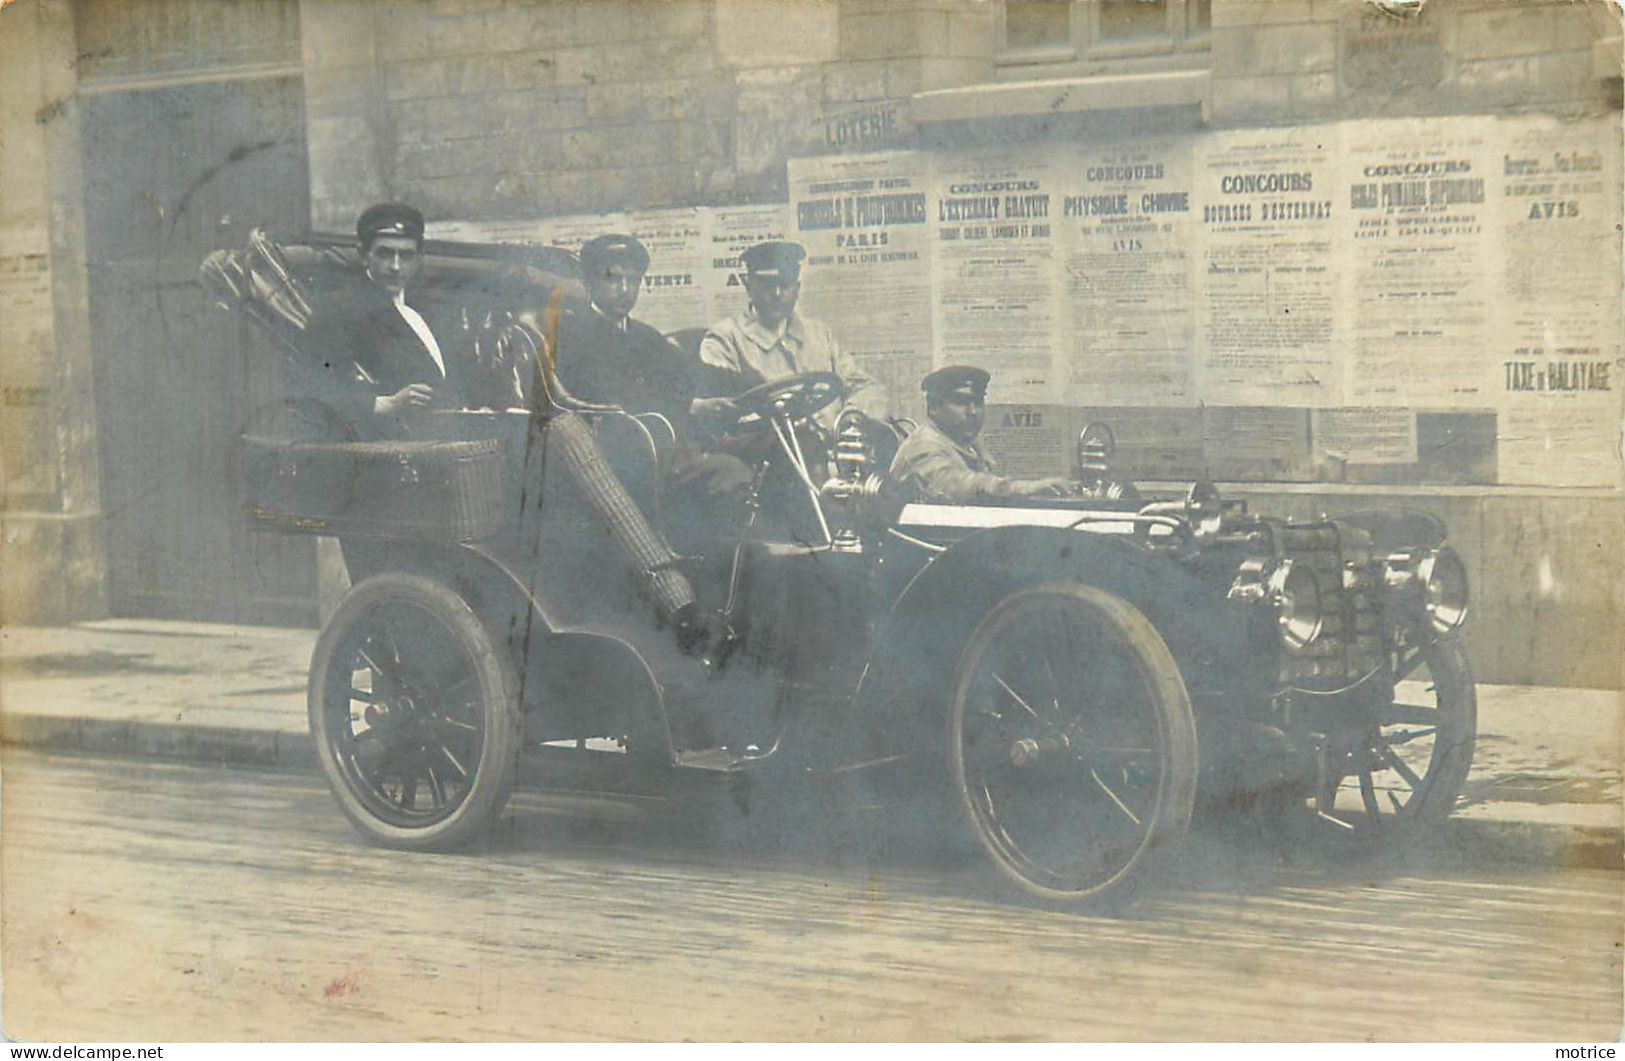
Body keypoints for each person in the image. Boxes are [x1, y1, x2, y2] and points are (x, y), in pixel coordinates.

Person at [297, 203, 730, 666]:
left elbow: (457, 379)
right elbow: (309, 386)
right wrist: (383, 404)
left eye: (406, 254)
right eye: (385, 254)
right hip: (417, 456)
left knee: (583, 440)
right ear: (365, 255)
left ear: (418, 257)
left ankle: (655, 600)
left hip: (464, 440)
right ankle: (674, 599)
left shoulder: (421, 310)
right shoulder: (339, 312)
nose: (396, 266)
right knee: (563, 430)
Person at [693, 240, 889, 436]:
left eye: (785, 284)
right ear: (748, 285)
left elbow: (864, 386)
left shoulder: (820, 335)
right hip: (776, 457)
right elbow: (724, 416)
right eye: (767, 285)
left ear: (797, 288)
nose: (777, 294)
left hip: (839, 449)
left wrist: (851, 418)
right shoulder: (725, 339)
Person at [889, 365, 1074, 503]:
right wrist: (1027, 488)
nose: (973, 412)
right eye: (961, 402)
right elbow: (960, 486)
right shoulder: (924, 445)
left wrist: (979, 448)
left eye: (977, 402)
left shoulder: (960, 441)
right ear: (933, 408)